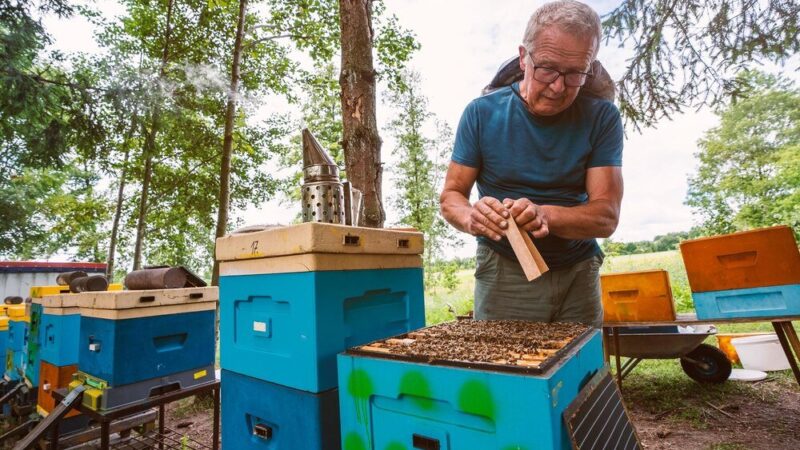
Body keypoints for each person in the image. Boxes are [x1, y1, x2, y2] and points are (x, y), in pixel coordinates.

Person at [439, 0, 623, 327]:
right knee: (504, 373)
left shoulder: (602, 117)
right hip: (504, 270)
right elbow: (452, 196)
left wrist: (543, 214)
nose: (558, 86)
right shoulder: (481, 114)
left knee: (581, 372)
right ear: (524, 57)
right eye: (548, 68)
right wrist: (472, 218)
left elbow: (606, 217)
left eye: (575, 73)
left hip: (578, 272)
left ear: (590, 66)